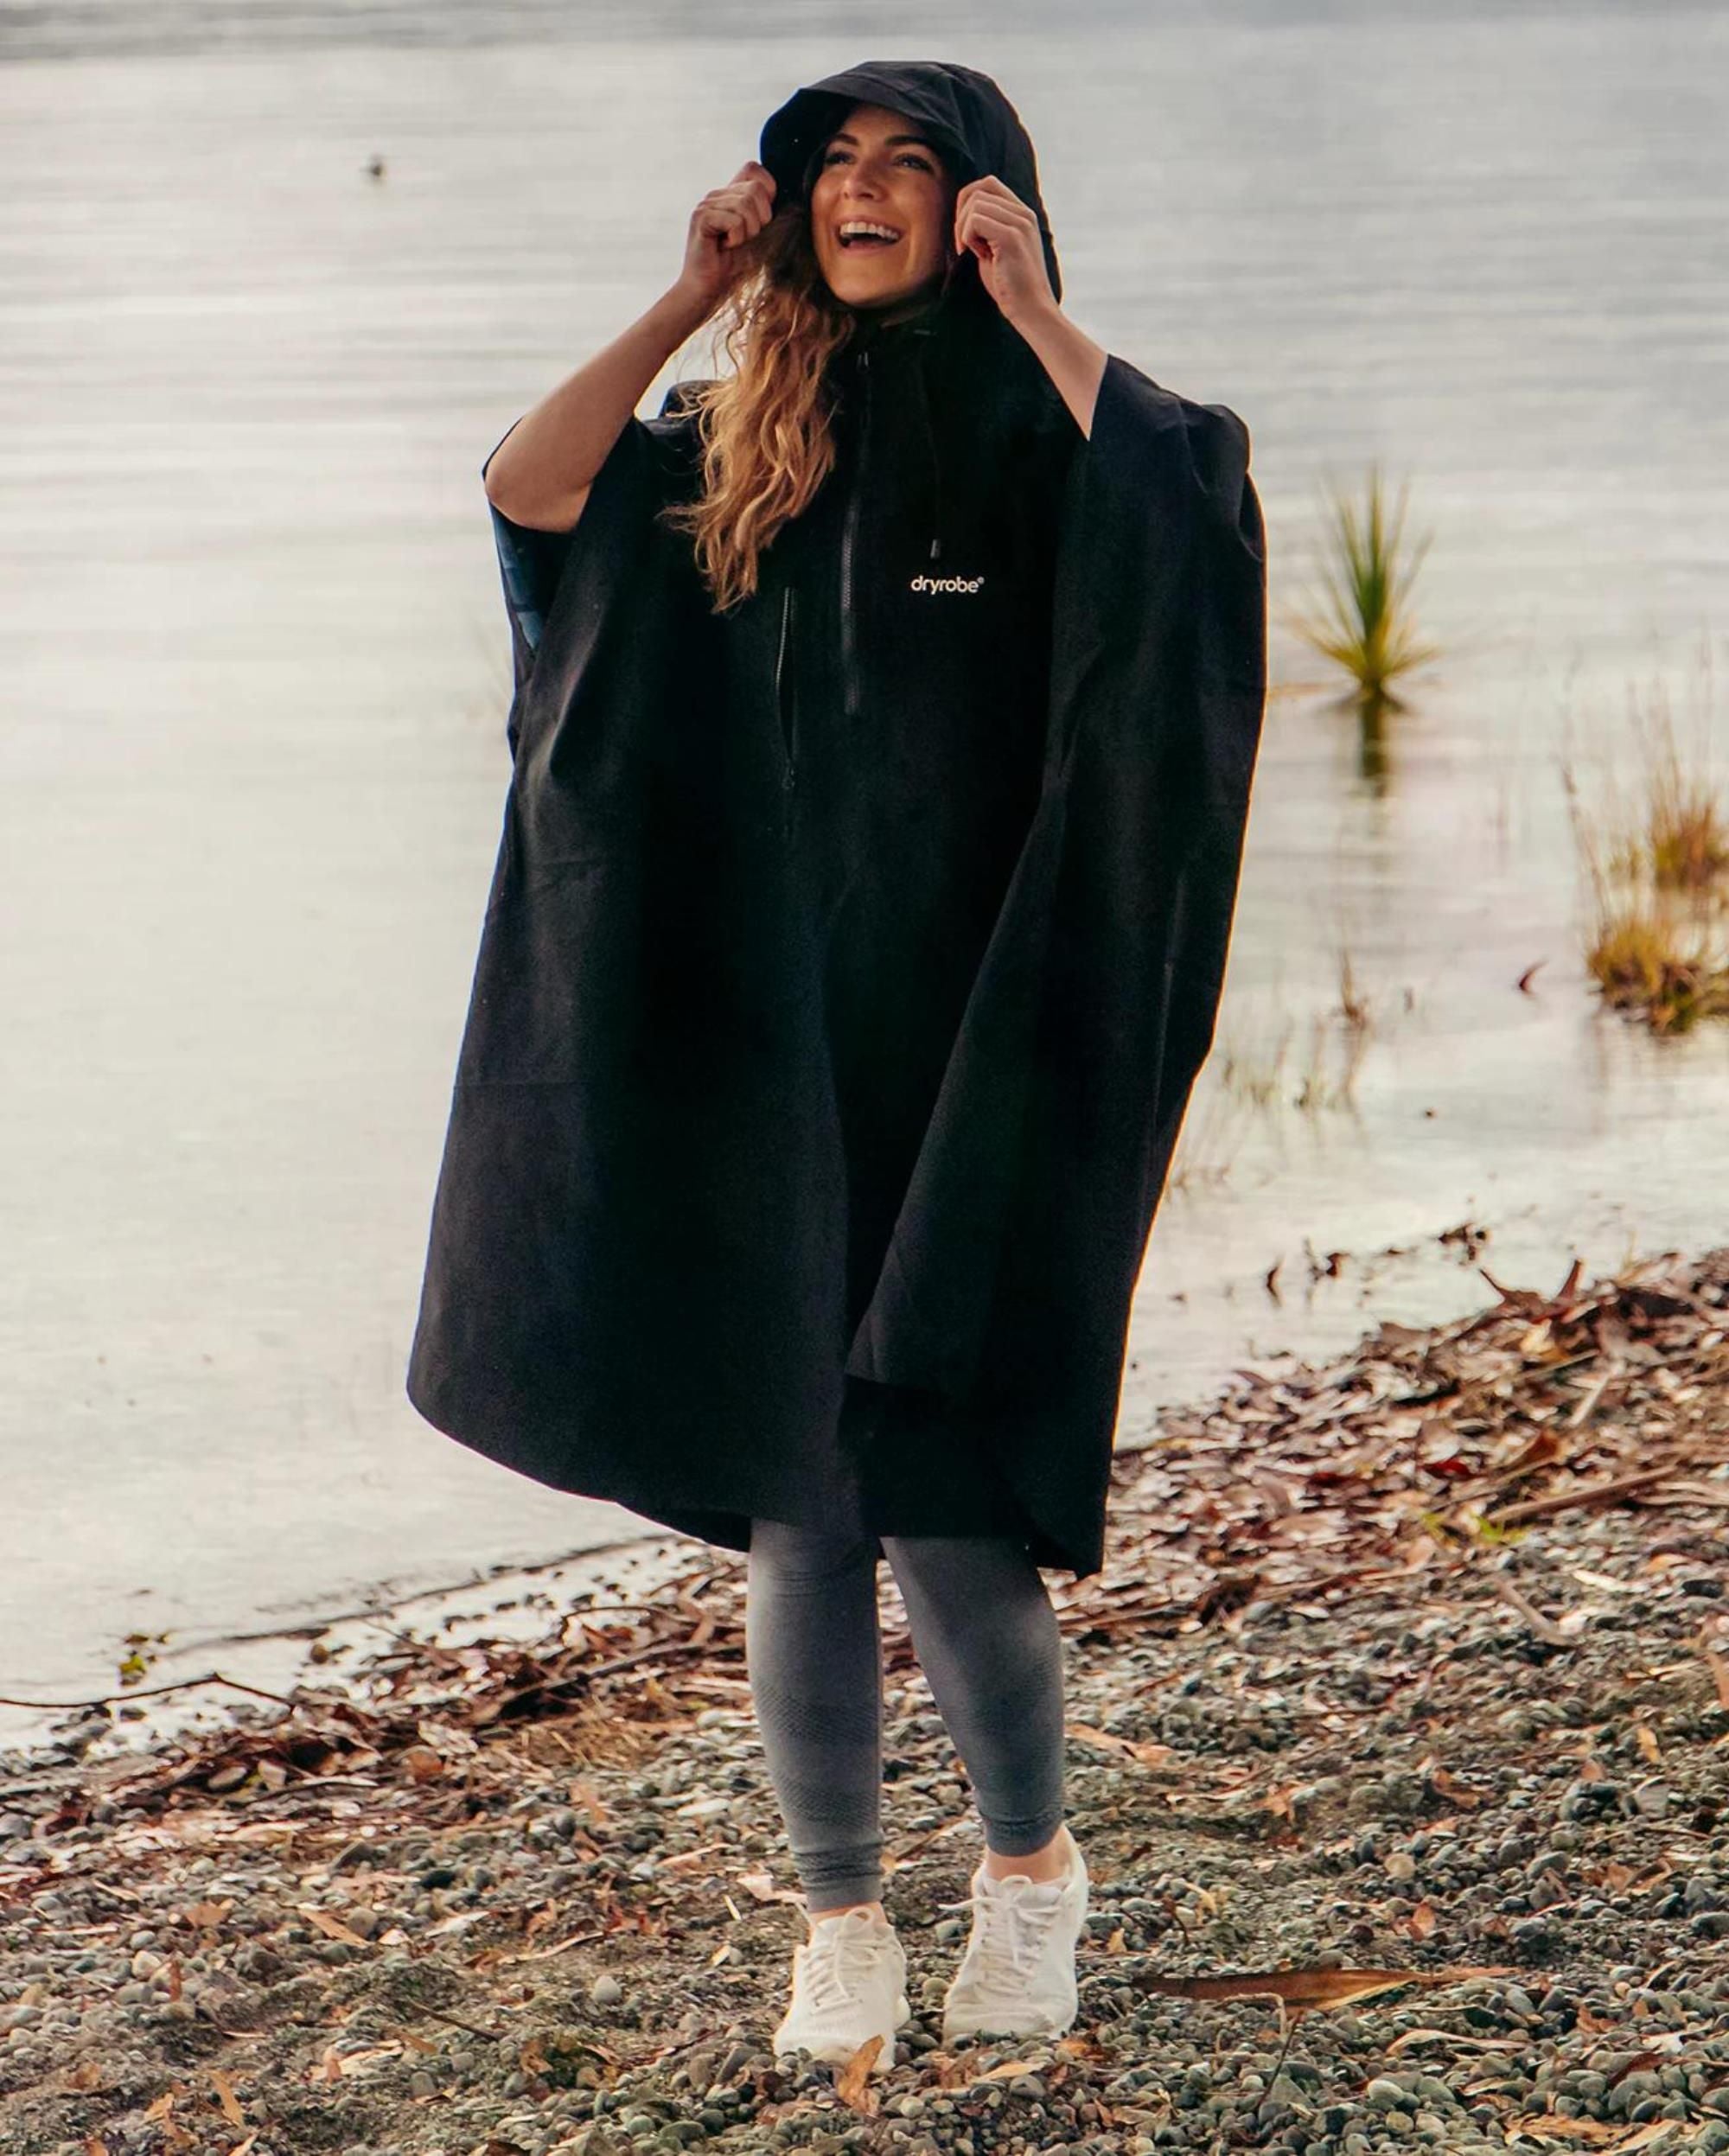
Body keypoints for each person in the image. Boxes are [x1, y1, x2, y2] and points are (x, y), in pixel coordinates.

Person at [408, 61, 1266, 2076]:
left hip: (973, 1053)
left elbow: (1193, 512)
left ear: (982, 203)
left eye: (910, 164)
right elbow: (531, 493)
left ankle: (1032, 1874)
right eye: (831, 166)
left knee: (947, 1500)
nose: (863, 192)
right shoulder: (735, 440)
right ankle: (839, 1920)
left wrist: (1033, 312)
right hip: (761, 1066)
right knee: (799, 1499)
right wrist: (686, 297)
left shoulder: (1047, 438)